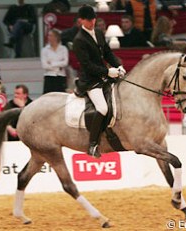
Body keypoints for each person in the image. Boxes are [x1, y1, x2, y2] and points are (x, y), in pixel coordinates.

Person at [73, 5, 126, 158]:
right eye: (89, 20)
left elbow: (108, 53)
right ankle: (93, 144)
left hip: (104, 77)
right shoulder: (79, 40)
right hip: (90, 80)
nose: (92, 22)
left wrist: (118, 65)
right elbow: (87, 65)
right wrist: (108, 71)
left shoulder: (98, 32)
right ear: (81, 20)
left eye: (93, 19)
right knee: (102, 108)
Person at [41, 29, 69, 93]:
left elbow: (65, 62)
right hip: (49, 76)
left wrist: (52, 63)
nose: (49, 37)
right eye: (48, 36)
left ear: (56, 37)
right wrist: (58, 66)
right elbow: (44, 65)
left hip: (61, 76)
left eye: (51, 35)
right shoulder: (45, 50)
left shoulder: (63, 49)